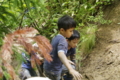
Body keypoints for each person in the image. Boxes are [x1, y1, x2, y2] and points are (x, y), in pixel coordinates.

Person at [43, 15, 82, 80]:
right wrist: (70, 69)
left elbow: (53, 53)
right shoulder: (63, 40)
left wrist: (66, 60)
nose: (72, 33)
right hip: (54, 70)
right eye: (70, 31)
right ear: (62, 30)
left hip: (48, 67)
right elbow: (61, 53)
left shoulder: (55, 37)